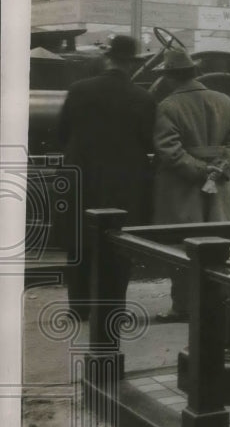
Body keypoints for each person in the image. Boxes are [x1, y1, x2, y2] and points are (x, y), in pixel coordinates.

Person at [56, 35, 157, 319]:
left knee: (80, 244)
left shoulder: (78, 90)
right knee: (118, 249)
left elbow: (61, 134)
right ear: (132, 65)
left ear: (108, 59)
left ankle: (79, 309)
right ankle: (113, 311)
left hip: (82, 180)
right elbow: (149, 143)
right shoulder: (144, 97)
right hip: (124, 186)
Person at [152, 47, 230, 322]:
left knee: (181, 249)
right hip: (219, 187)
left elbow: (169, 151)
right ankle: (217, 302)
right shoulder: (225, 101)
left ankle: (182, 307)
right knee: (218, 244)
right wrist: (218, 170)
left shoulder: (168, 106)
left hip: (181, 189)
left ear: (170, 77)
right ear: (194, 73)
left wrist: (201, 171)